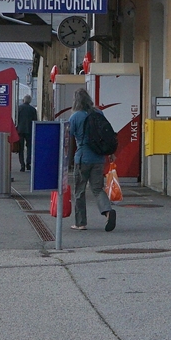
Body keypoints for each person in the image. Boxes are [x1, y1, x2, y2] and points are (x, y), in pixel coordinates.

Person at [67, 87, 116, 232]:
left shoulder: (75, 117)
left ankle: (80, 223)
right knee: (97, 188)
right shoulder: (99, 113)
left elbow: (68, 140)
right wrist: (110, 153)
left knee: (79, 191)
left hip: (82, 158)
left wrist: (68, 161)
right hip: (99, 158)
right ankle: (108, 211)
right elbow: (107, 134)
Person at [15, 94, 37, 172]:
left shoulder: (19, 108)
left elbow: (16, 119)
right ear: (30, 101)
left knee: (20, 149)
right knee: (29, 147)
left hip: (20, 131)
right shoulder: (33, 109)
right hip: (30, 130)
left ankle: (22, 165)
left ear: (23, 100)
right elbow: (35, 120)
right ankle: (28, 163)